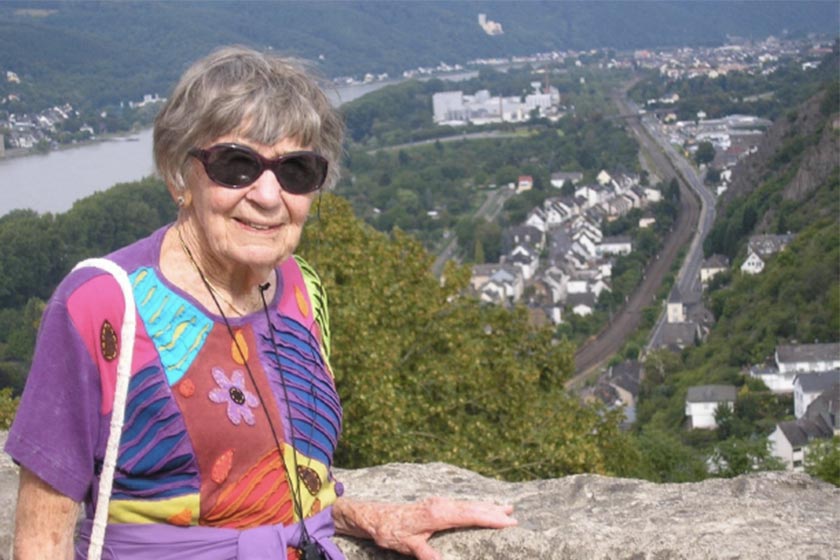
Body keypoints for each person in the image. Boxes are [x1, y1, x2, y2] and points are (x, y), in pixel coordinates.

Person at [5, 46, 516, 560]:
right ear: (180, 174)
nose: (269, 196)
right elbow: (41, 541)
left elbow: (272, 496)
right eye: (236, 165)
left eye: (296, 171)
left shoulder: (299, 288)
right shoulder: (101, 304)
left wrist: (368, 517)